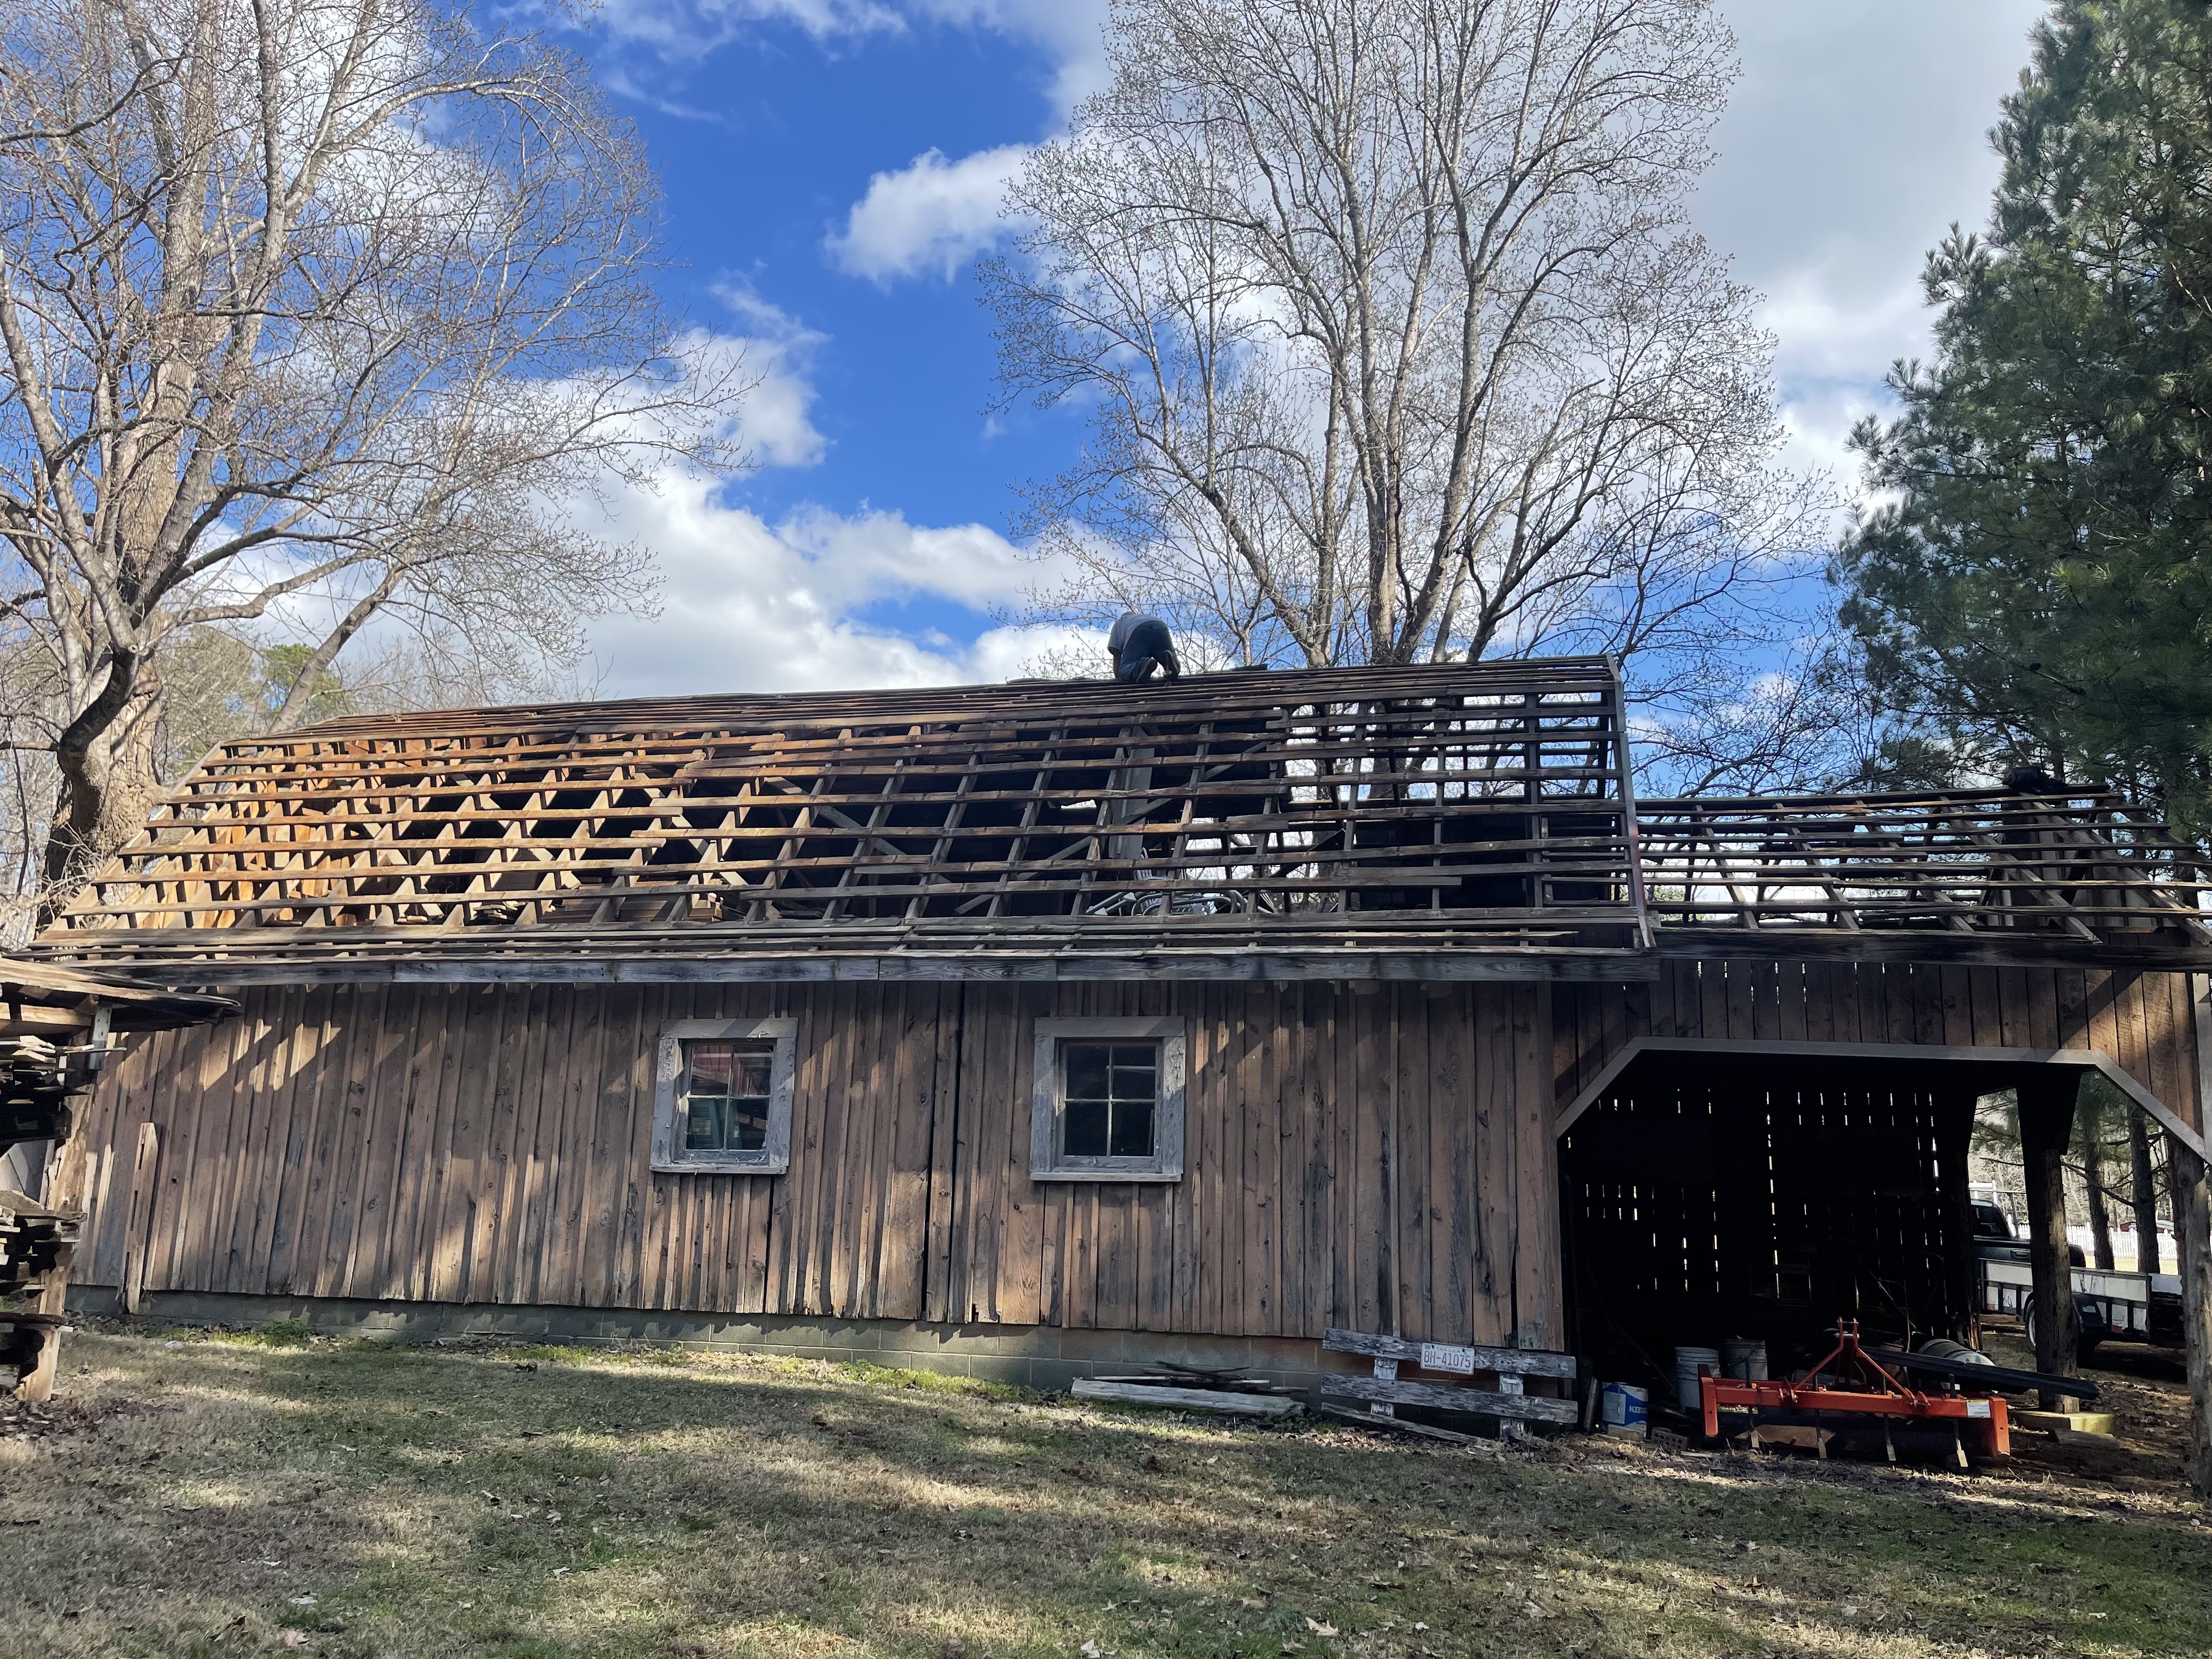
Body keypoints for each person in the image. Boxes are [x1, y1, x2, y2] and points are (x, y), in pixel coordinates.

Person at [1108, 612, 1181, 683]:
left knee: (1125, 669)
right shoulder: (1142, 616)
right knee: (1167, 656)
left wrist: (1118, 679)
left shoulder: (1120, 622)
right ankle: (1170, 661)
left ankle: (1143, 665)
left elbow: (1116, 653)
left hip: (1139, 630)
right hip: (1160, 625)